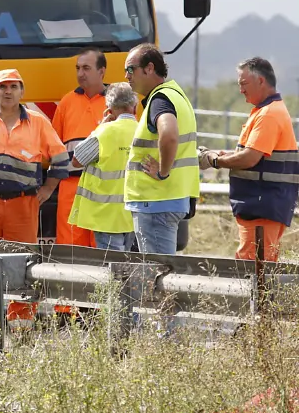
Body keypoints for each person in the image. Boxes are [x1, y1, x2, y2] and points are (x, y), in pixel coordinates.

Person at [0, 69, 69, 325]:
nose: (7, 91)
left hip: (23, 204)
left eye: (13, 86)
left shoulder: (38, 122)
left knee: (23, 263)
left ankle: (20, 324)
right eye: (2, 86)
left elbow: (61, 159)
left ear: (22, 92)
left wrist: (46, 192)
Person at [198, 57, 298, 261]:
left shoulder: (268, 114)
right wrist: (224, 155)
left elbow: (249, 158)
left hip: (262, 204)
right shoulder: (266, 111)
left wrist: (214, 161)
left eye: (244, 84)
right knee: (259, 264)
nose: (241, 90)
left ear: (261, 81)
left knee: (252, 267)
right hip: (264, 203)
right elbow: (253, 155)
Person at [123, 43, 200, 255]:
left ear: (149, 68)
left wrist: (162, 171)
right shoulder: (176, 95)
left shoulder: (160, 99)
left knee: (156, 272)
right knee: (160, 270)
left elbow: (169, 134)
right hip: (169, 199)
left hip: (156, 201)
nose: (127, 76)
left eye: (131, 69)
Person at [69, 82, 138, 251]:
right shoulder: (144, 131)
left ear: (109, 108)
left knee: (112, 268)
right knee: (128, 262)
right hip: (134, 214)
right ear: (134, 107)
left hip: (106, 216)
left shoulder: (105, 132)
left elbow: (77, 160)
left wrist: (101, 125)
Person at [52, 48, 109, 248]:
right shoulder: (67, 102)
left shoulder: (116, 102)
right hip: (70, 186)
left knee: (101, 246)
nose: (80, 73)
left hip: (104, 187)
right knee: (70, 247)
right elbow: (54, 145)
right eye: (78, 68)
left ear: (101, 72)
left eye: (86, 68)